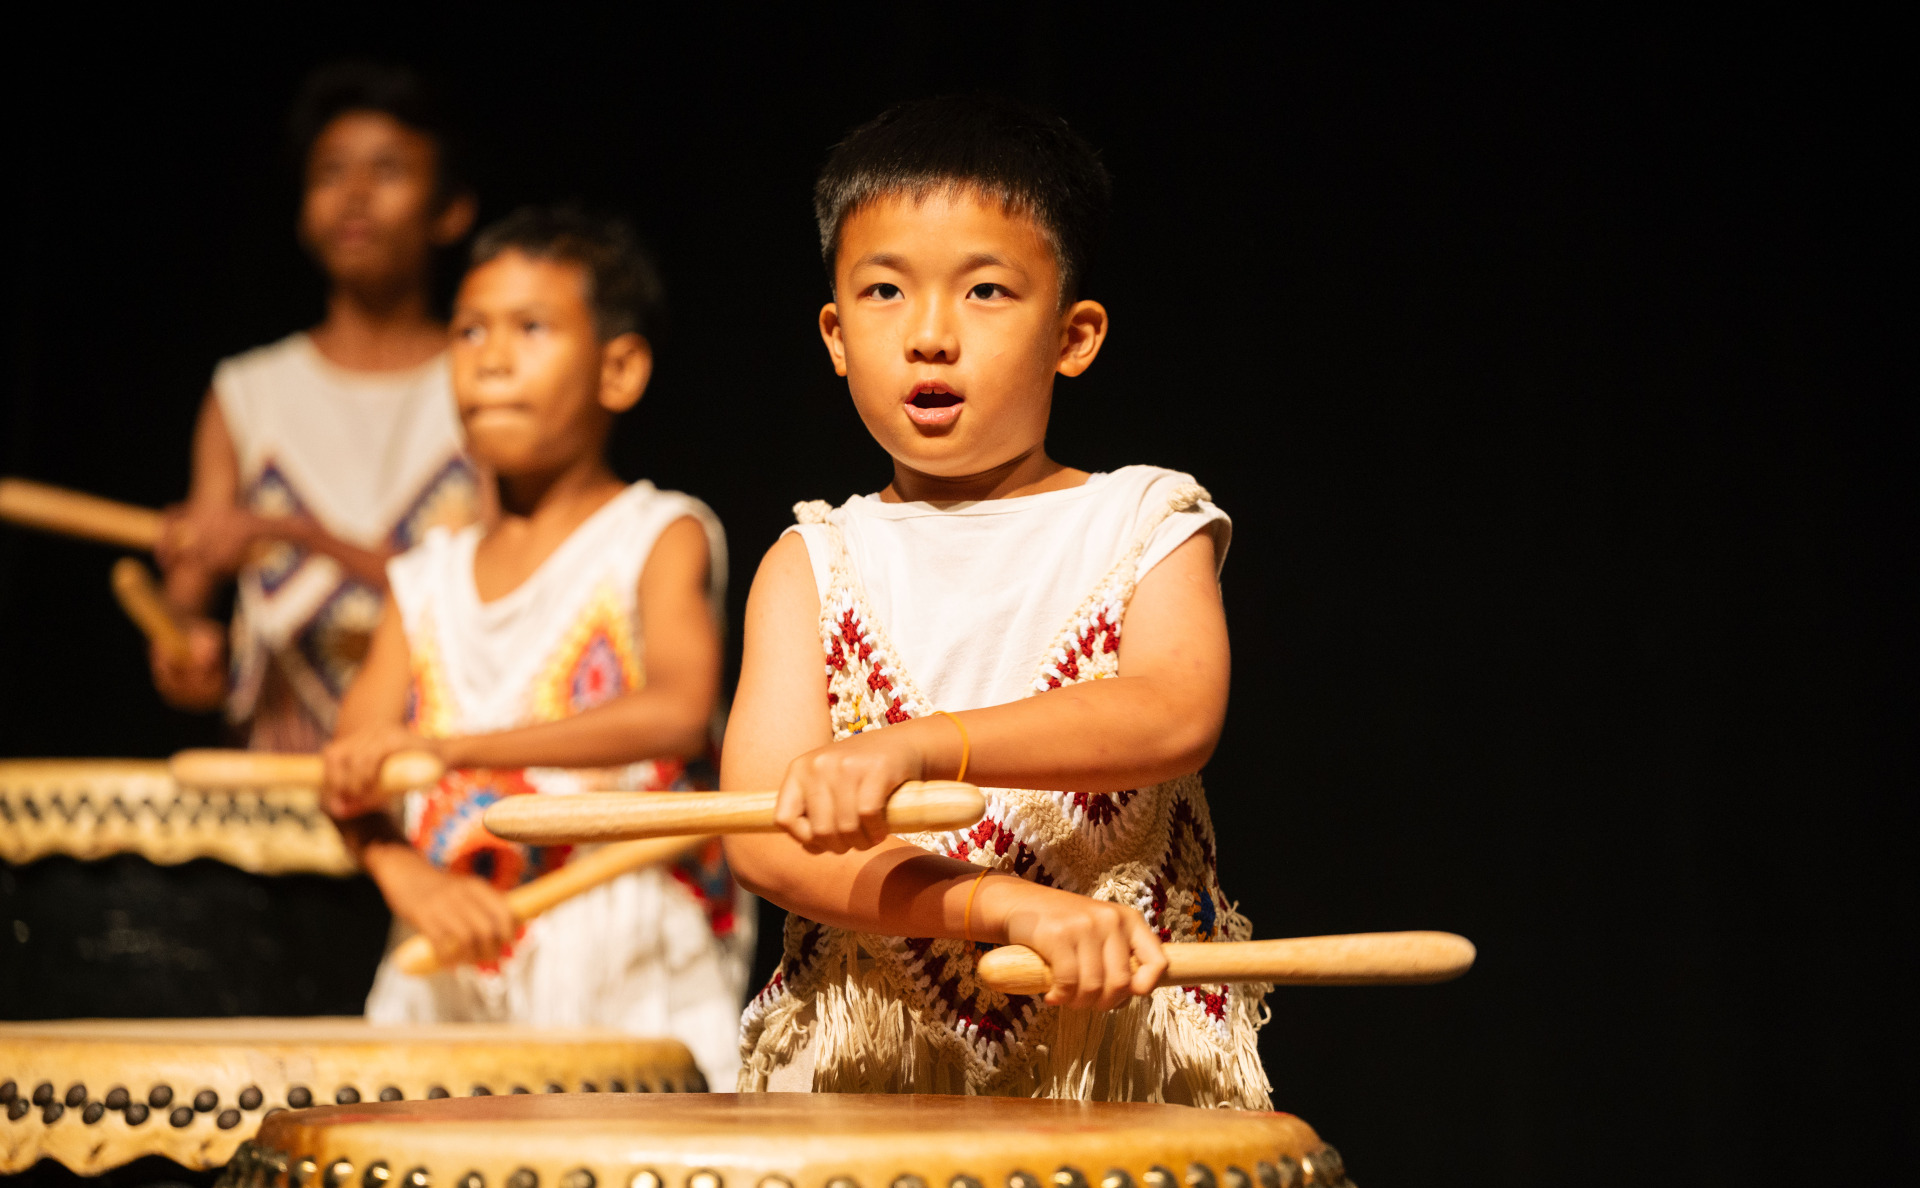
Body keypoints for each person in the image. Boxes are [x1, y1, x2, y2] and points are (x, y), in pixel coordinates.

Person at [723, 96, 1269, 1105]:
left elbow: (1173, 709)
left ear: (1075, 334)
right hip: (871, 1066)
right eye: (884, 292)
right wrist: (996, 904)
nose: (929, 335)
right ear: (836, 335)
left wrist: (924, 743)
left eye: (985, 291)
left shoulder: (1147, 518)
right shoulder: (811, 560)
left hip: (1105, 1056)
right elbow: (763, 833)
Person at [321, 208, 748, 1088]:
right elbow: (350, 770)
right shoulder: (425, 578)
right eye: (470, 329)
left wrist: (451, 749)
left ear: (619, 369)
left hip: (620, 952)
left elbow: (675, 711)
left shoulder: (658, 534)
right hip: (447, 946)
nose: (491, 357)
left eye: (531, 328)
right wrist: (411, 884)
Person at [153, 62, 485, 751]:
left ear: (451, 209)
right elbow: (190, 589)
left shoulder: (485, 380)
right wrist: (182, 642)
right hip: (279, 783)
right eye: (331, 173)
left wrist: (299, 535)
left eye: (387, 171)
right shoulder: (248, 391)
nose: (354, 197)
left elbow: (489, 583)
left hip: (439, 772)